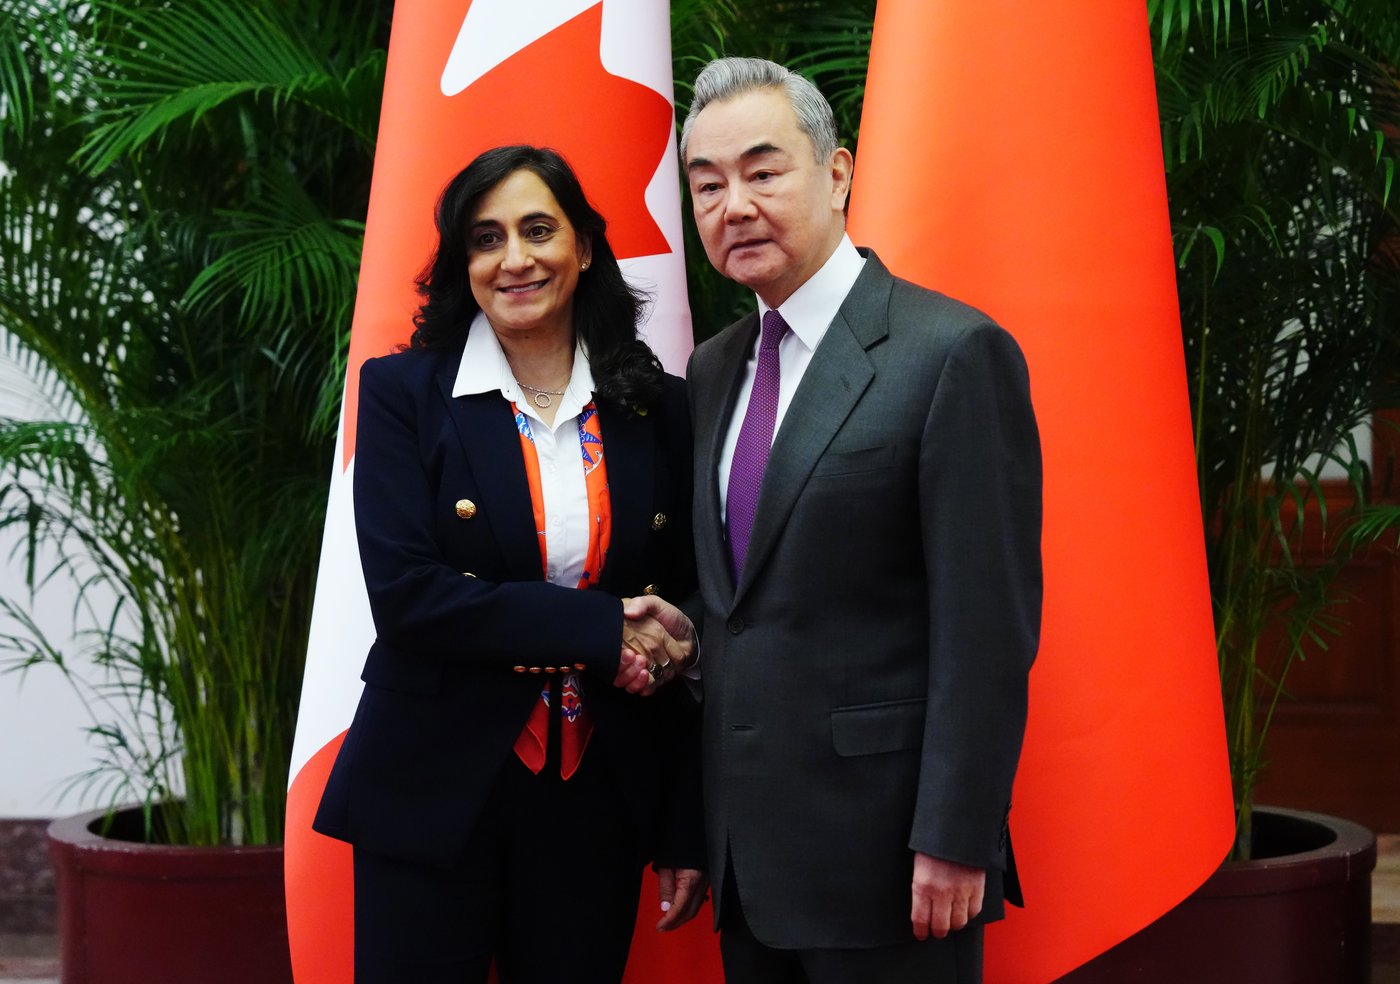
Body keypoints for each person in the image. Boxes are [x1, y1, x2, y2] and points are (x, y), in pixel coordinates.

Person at [628, 57, 1043, 982]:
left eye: (763, 171)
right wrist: (681, 634)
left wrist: (957, 834)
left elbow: (987, 627)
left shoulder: (950, 353)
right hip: (748, 861)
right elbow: (748, 598)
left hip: (891, 859)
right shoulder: (713, 368)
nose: (735, 206)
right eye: (708, 185)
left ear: (838, 172)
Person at [314, 145, 707, 984]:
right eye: (486, 239)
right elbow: (410, 598)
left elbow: (681, 606)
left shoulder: (658, 406)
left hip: (597, 797)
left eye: (538, 230)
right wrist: (604, 626)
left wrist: (684, 823)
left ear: (584, 247)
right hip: (431, 786)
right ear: (464, 263)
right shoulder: (401, 394)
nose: (515, 259)